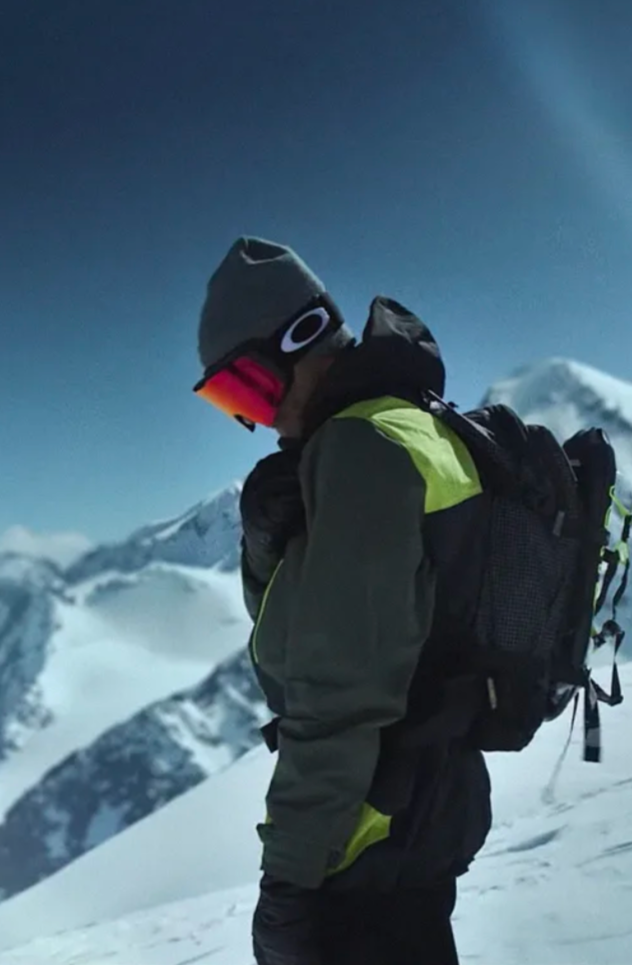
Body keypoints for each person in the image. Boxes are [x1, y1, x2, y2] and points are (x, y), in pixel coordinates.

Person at [193, 237, 492, 965]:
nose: (260, 421)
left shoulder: (361, 451)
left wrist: (289, 880)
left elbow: (337, 692)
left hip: (367, 835)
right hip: (423, 809)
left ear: (301, 339)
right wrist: (269, 547)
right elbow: (304, 628)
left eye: (249, 389)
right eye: (233, 404)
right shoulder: (409, 423)